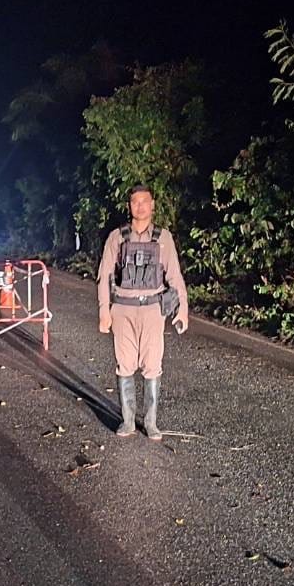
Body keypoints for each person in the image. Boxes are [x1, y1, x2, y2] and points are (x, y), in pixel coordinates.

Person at [96, 185, 189, 440]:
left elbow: (175, 276)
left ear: (153, 205)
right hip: (123, 309)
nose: (140, 206)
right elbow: (104, 276)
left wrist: (183, 310)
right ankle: (127, 420)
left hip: (152, 310)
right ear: (130, 206)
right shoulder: (117, 237)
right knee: (124, 364)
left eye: (144, 201)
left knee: (153, 365)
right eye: (135, 202)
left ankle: (151, 422)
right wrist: (105, 311)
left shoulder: (163, 238)